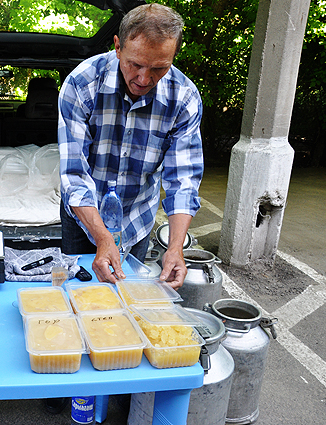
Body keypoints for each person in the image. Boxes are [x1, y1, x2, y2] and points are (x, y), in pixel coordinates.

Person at [58, 3, 203, 289]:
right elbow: (74, 175)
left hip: (138, 216)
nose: (144, 79)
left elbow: (183, 180)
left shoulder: (184, 98)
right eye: (135, 64)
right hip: (84, 218)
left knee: (126, 295)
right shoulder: (82, 84)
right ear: (117, 47)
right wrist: (103, 237)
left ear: (173, 56)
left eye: (159, 68)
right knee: (78, 294)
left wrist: (175, 247)